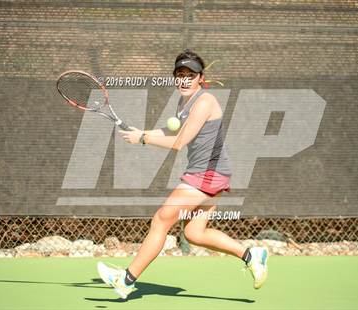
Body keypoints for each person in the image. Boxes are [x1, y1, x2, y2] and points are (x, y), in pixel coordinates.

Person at [97, 49, 268, 299]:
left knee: (161, 219)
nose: (184, 80)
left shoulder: (205, 101)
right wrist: (143, 132)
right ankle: (252, 255)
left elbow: (179, 142)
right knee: (194, 233)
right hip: (212, 173)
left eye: (190, 75)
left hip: (208, 173)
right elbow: (170, 130)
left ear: (201, 78)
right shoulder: (184, 102)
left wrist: (143, 139)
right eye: (179, 75)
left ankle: (125, 279)